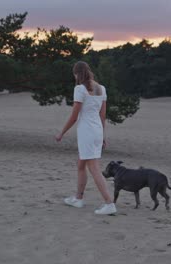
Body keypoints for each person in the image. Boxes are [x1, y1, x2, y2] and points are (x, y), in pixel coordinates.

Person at [55, 61, 117, 215]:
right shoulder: (101, 88)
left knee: (94, 168)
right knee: (81, 165)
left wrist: (61, 132)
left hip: (87, 133)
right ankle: (78, 198)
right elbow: (102, 116)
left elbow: (74, 116)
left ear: (76, 74)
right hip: (96, 131)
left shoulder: (80, 89)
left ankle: (109, 203)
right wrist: (102, 135)